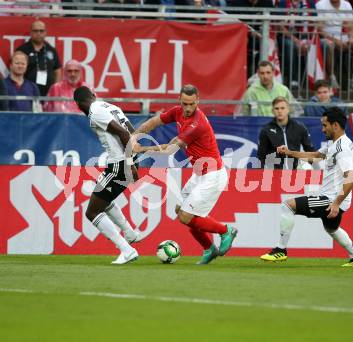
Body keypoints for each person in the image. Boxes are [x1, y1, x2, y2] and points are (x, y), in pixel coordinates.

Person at [132, 84, 237, 265]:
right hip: (199, 174)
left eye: (191, 104)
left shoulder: (197, 123)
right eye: (184, 104)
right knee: (181, 211)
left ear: (198, 100)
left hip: (213, 175)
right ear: (180, 101)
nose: (188, 108)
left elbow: (171, 148)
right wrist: (134, 134)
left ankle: (225, 230)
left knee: (186, 216)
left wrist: (141, 148)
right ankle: (209, 248)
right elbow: (154, 122)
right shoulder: (177, 111)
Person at [260, 106, 353, 267]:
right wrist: (289, 152)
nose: (322, 129)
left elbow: (350, 177)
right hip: (334, 198)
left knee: (288, 206)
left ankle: (280, 250)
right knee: (331, 228)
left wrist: (336, 203)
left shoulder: (342, 148)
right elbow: (316, 155)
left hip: (332, 199)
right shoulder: (335, 144)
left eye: (325, 125)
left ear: (335, 126)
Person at [73, 86, 144, 265]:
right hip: (124, 161)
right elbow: (130, 130)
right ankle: (129, 233)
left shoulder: (95, 111)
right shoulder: (109, 106)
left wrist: (129, 163)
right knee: (104, 199)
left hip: (119, 164)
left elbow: (121, 132)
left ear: (79, 105)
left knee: (92, 211)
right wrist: (135, 159)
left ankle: (127, 250)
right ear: (94, 95)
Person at [316, 0, 353, 90]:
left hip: (344, 36)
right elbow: (320, 30)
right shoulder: (320, 4)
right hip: (327, 37)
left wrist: (352, 38)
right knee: (329, 45)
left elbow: (352, 26)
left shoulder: (346, 4)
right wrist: (336, 41)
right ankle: (332, 79)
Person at [258, 96, 315, 169]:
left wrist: (311, 165)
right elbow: (261, 156)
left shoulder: (299, 127)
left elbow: (310, 150)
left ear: (288, 109)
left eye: (282, 108)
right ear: (272, 111)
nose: (279, 111)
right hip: (275, 173)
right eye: (276, 108)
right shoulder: (266, 130)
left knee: (307, 168)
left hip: (295, 171)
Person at [16, 20, 62, 96]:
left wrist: (56, 91)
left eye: (41, 31)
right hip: (28, 93)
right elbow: (16, 72)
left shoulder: (51, 50)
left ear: (45, 33)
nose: (38, 33)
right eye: (35, 31)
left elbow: (57, 71)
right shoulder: (22, 50)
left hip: (48, 94)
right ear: (30, 32)